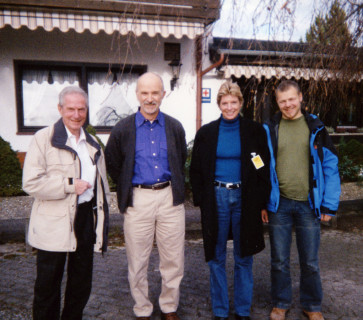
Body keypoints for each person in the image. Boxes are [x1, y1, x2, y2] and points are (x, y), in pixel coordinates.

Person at [22, 86, 110, 320]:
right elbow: (30, 183)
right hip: (53, 221)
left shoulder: (92, 143)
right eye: (70, 109)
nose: (76, 114)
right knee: (48, 285)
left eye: (81, 109)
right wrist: (69, 184)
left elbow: (101, 187)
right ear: (60, 109)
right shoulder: (44, 138)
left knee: (81, 283)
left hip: (84, 219)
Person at [105, 72, 187, 320]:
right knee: (137, 260)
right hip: (138, 199)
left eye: (155, 93)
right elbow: (113, 164)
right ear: (137, 95)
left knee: (173, 259)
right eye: (145, 93)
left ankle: (169, 306)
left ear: (163, 94)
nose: (150, 98)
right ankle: (142, 308)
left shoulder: (174, 127)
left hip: (169, 198)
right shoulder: (122, 129)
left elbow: (181, 158)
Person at [190, 82, 271, 320]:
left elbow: (262, 167)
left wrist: (261, 202)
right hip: (216, 198)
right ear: (219, 105)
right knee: (216, 255)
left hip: (245, 198)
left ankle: (243, 310)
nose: (229, 107)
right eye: (224, 103)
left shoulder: (254, 131)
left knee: (243, 255)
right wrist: (202, 200)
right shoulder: (206, 133)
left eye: (233, 102)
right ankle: (220, 310)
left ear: (240, 103)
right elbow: (195, 169)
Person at [261, 80, 341, 320]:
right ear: (277, 102)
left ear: (300, 97)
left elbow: (330, 166)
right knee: (279, 261)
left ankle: (312, 305)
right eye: (282, 101)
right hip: (279, 205)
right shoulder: (270, 128)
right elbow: (261, 168)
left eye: (291, 99)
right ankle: (281, 303)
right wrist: (262, 203)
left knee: (310, 262)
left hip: (309, 205)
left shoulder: (315, 126)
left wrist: (329, 204)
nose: (288, 105)